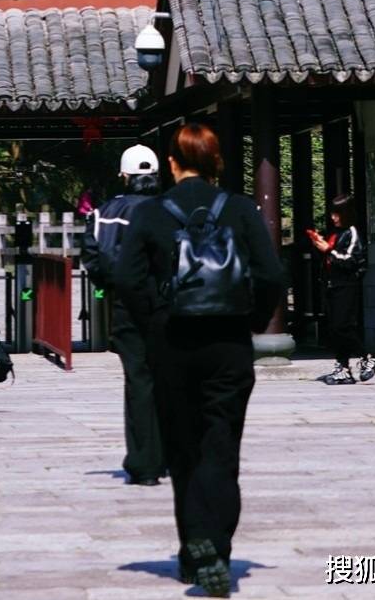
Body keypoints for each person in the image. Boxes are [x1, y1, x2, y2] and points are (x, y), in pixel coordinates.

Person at [117, 121, 285, 598]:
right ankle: (218, 548)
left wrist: (156, 319)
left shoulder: (150, 214)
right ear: (216, 164)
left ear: (172, 163)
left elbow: (127, 280)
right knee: (221, 444)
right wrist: (250, 319)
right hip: (228, 343)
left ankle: (194, 551)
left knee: (183, 447)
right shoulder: (239, 209)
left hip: (172, 342)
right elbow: (271, 273)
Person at [82, 144, 165, 486]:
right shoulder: (171, 209)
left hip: (127, 304)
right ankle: (172, 455)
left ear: (124, 176)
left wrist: (109, 284)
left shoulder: (105, 213)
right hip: (168, 303)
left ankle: (144, 462)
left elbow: (92, 255)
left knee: (139, 381)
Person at [307, 195, 375, 386]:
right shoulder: (335, 233)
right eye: (332, 213)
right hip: (332, 284)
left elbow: (351, 261)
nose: (333, 217)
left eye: (337, 213)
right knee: (334, 329)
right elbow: (329, 258)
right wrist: (319, 246)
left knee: (342, 326)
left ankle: (367, 357)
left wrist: (328, 250)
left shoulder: (352, 233)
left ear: (346, 213)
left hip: (347, 285)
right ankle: (343, 367)